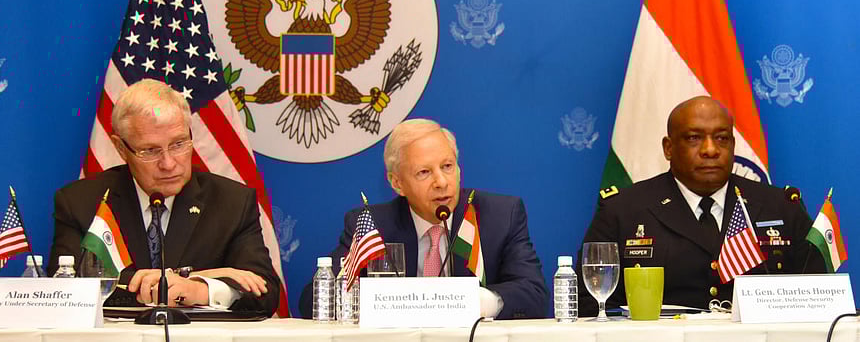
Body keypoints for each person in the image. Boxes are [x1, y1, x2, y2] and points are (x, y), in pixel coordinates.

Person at [48, 78, 279, 314]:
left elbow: (265, 292)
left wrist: (201, 290)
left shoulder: (232, 202)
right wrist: (184, 279)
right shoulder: (81, 202)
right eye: (150, 151)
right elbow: (66, 290)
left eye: (178, 144)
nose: (168, 164)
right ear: (120, 149)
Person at [577, 96, 825, 316]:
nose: (710, 150)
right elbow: (590, 304)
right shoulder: (624, 210)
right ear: (669, 148)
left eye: (721, 138)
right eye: (694, 138)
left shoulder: (780, 206)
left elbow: (819, 299)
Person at [298, 118, 547, 319]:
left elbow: (534, 294)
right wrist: (383, 303)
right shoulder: (371, 226)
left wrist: (482, 301)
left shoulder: (500, 216)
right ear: (397, 183)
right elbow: (315, 300)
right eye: (424, 172)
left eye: (447, 166)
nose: (441, 182)